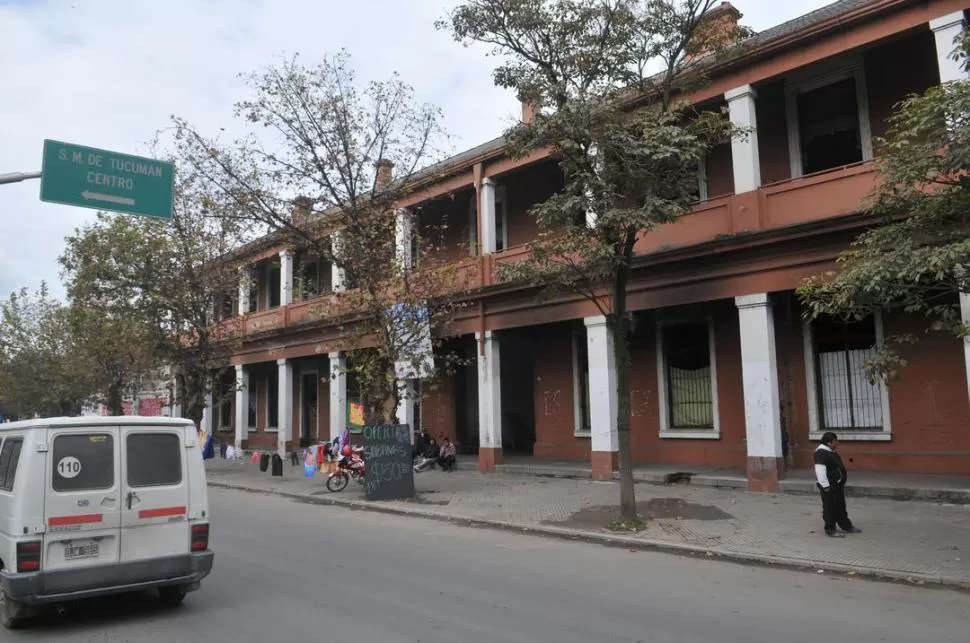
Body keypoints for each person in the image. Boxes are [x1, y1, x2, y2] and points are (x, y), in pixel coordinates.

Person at [814, 432, 860, 537]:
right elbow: (820, 470)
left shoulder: (831, 451)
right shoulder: (821, 453)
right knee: (830, 507)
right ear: (828, 442)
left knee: (840, 506)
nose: (837, 443)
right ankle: (830, 529)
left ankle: (846, 526)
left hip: (836, 485)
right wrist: (825, 486)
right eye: (835, 441)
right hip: (828, 486)